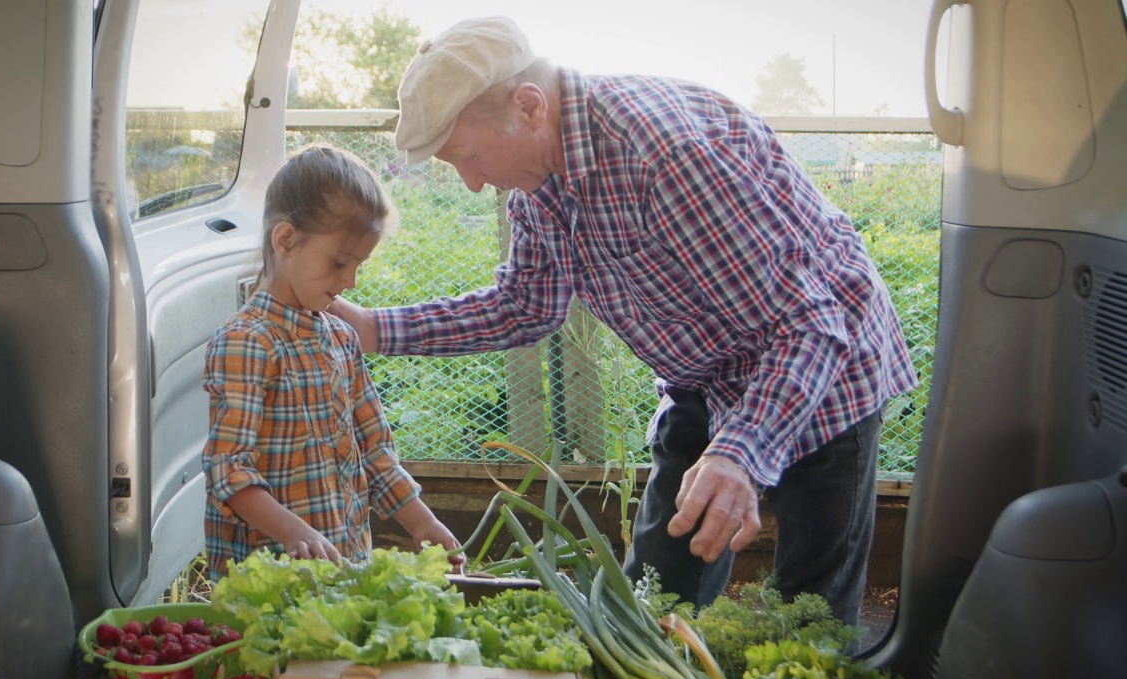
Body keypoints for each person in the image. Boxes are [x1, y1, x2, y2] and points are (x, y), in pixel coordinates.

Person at [327, 17, 918, 625]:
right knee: (648, 603)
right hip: (706, 378)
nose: (474, 183)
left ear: (529, 106)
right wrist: (371, 328)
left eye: (471, 157)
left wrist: (740, 454)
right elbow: (526, 305)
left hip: (821, 372)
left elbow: (808, 321)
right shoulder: (539, 180)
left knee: (809, 621)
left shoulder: (662, 154)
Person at [201, 144, 461, 582]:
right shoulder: (248, 343)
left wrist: (423, 524)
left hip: (344, 567)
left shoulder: (341, 338)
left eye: (359, 264)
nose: (351, 280)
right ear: (285, 240)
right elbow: (228, 469)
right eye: (340, 262)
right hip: (268, 579)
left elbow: (376, 454)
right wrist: (292, 530)